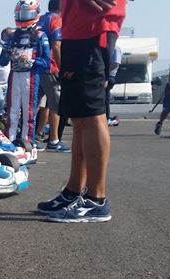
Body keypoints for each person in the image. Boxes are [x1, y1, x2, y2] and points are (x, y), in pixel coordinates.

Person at [38, 0, 126, 223]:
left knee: (91, 113)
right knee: (79, 117)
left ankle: (96, 199)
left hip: (95, 27)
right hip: (75, 29)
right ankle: (73, 191)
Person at [0, 0, 51, 147]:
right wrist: (9, 53)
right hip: (14, 76)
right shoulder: (12, 37)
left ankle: (27, 142)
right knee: (12, 111)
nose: (23, 17)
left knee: (28, 112)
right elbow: (2, 61)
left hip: (31, 77)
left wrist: (30, 60)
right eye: (21, 14)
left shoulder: (40, 36)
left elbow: (46, 62)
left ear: (35, 14)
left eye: (26, 14)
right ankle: (9, 141)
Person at [34, 0, 69, 151]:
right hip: (51, 67)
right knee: (56, 105)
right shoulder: (56, 19)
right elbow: (56, 45)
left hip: (38, 67)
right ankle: (54, 140)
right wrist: (62, 68)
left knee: (35, 104)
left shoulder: (40, 19)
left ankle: (29, 137)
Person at [106, 42, 122, 126]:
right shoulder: (105, 47)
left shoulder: (115, 48)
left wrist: (104, 72)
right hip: (103, 75)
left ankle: (106, 118)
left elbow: (115, 63)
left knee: (105, 99)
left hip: (109, 76)